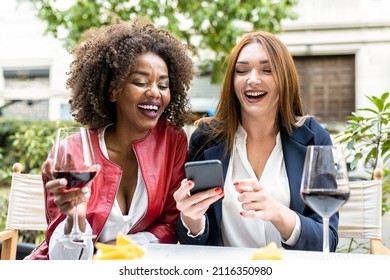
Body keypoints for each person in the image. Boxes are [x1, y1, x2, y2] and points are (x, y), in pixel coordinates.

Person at [28, 17, 195, 260]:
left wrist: (121, 246)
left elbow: (170, 224)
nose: (154, 92)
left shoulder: (173, 141)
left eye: (163, 85)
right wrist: (76, 219)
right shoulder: (71, 152)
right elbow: (61, 261)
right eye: (140, 82)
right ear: (112, 90)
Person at [173, 30, 337, 252]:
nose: (252, 80)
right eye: (241, 71)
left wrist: (278, 213)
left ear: (285, 79)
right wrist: (192, 217)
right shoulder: (206, 138)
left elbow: (328, 239)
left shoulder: (314, 138)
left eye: (267, 70)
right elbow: (195, 244)